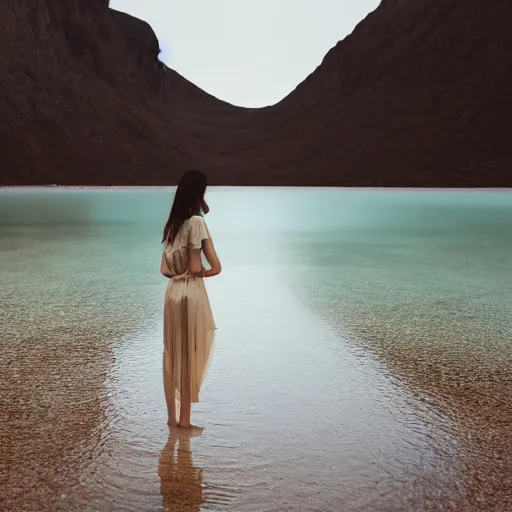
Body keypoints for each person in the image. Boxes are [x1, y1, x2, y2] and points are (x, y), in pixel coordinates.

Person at [160, 170, 221, 428]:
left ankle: (172, 419)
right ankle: (185, 421)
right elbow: (207, 267)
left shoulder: (172, 225)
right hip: (190, 291)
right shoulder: (197, 223)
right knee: (188, 355)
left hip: (173, 292)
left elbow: (164, 270)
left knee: (171, 354)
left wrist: (179, 274)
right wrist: (202, 273)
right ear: (200, 192)